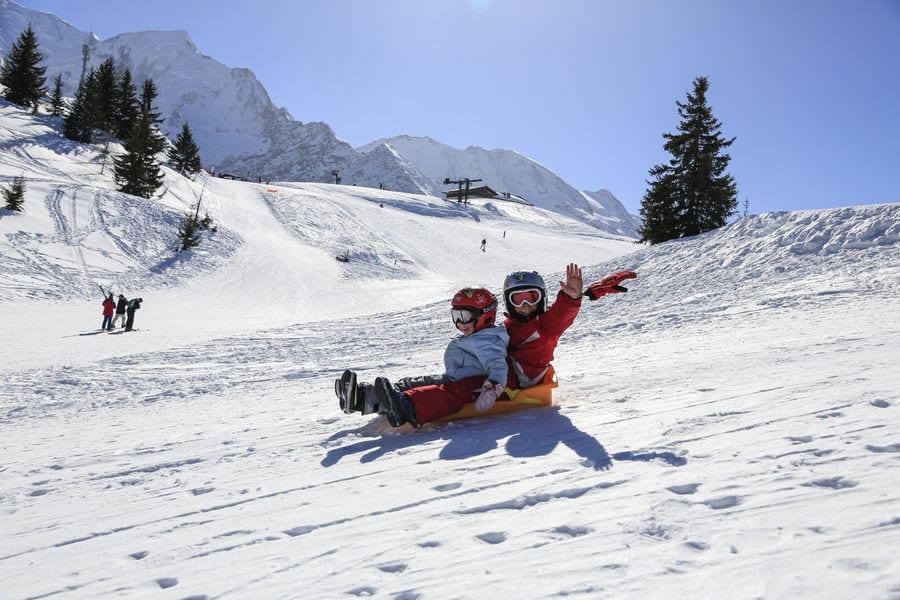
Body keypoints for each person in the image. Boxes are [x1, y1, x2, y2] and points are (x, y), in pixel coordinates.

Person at [337, 287, 509, 428]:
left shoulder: (488, 340)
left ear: (485, 316)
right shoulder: (476, 336)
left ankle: (403, 405)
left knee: (431, 393)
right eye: (456, 317)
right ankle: (363, 398)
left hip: (471, 388)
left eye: (464, 316)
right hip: (452, 379)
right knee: (410, 383)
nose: (459, 324)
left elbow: (498, 365)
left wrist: (492, 388)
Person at [502, 265, 636, 389]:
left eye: (532, 298)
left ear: (542, 298)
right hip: (506, 376)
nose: (525, 305)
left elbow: (563, 313)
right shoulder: (508, 326)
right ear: (508, 302)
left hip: (524, 381)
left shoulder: (546, 325)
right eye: (518, 300)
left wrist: (572, 297)